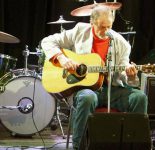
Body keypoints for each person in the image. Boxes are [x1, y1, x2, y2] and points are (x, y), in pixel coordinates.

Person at [41, 5, 148, 150]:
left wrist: (130, 75)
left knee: (140, 97)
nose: (106, 31)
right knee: (87, 97)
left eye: (109, 27)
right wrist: (62, 59)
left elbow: (123, 75)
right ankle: (79, 146)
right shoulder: (80, 30)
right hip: (85, 89)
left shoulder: (122, 43)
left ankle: (134, 145)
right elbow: (47, 41)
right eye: (102, 27)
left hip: (113, 90)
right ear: (92, 22)